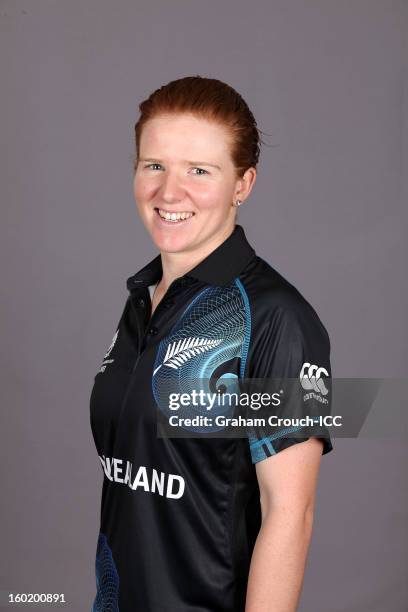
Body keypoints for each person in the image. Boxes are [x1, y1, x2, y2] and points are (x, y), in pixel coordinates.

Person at [89, 75, 333, 612]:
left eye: (199, 170)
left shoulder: (276, 319)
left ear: (243, 184)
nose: (169, 192)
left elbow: (290, 517)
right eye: (154, 165)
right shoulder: (141, 299)